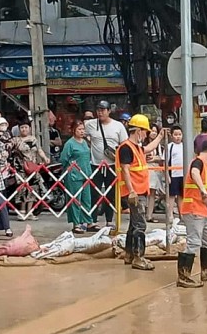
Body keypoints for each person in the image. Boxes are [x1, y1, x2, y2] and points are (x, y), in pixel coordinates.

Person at [117, 114, 165, 270]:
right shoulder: (126, 147)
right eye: (144, 131)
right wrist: (131, 191)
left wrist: (160, 137)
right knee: (140, 225)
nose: (145, 135)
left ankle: (129, 254)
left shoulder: (136, 148)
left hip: (139, 191)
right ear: (137, 131)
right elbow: (125, 169)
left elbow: (148, 149)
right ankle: (139, 257)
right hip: (134, 192)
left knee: (133, 224)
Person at [177, 139, 207, 288]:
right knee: (194, 242)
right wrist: (202, 190)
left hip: (202, 212)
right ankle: (184, 276)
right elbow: (194, 173)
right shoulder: (197, 163)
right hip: (193, 210)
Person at [84, 100, 128, 228]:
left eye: (103, 110)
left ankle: (109, 220)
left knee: (111, 193)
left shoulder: (118, 126)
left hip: (112, 165)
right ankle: (92, 221)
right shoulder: (90, 124)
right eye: (98, 110)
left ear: (109, 111)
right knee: (94, 193)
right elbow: (83, 137)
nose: (100, 112)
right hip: (95, 164)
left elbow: (124, 144)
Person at [61, 120, 94, 233]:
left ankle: (88, 222)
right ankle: (76, 224)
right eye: (79, 129)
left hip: (86, 174)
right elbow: (63, 159)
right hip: (74, 175)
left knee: (87, 199)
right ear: (74, 130)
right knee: (75, 200)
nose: (82, 131)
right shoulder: (69, 144)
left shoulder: (84, 142)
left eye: (83, 129)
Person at [13, 119, 50, 218]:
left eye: (26, 127)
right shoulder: (15, 140)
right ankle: (22, 211)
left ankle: (30, 212)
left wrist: (45, 158)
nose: (24, 129)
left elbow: (39, 150)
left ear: (29, 128)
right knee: (22, 188)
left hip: (32, 167)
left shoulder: (34, 139)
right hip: (20, 168)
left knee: (33, 188)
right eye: (22, 127)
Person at [146, 125, 166, 223]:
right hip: (146, 170)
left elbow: (162, 158)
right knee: (149, 193)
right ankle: (147, 214)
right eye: (152, 131)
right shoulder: (144, 144)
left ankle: (149, 214)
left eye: (155, 131)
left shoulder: (159, 147)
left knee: (154, 192)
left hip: (156, 170)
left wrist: (155, 158)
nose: (153, 133)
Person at [166, 125, 185, 218]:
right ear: (171, 136)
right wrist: (167, 175)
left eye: (180, 134)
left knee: (181, 195)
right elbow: (165, 162)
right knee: (172, 196)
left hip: (183, 174)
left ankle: (182, 214)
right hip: (173, 174)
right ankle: (170, 214)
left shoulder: (185, 146)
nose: (178, 137)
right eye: (176, 134)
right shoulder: (169, 147)